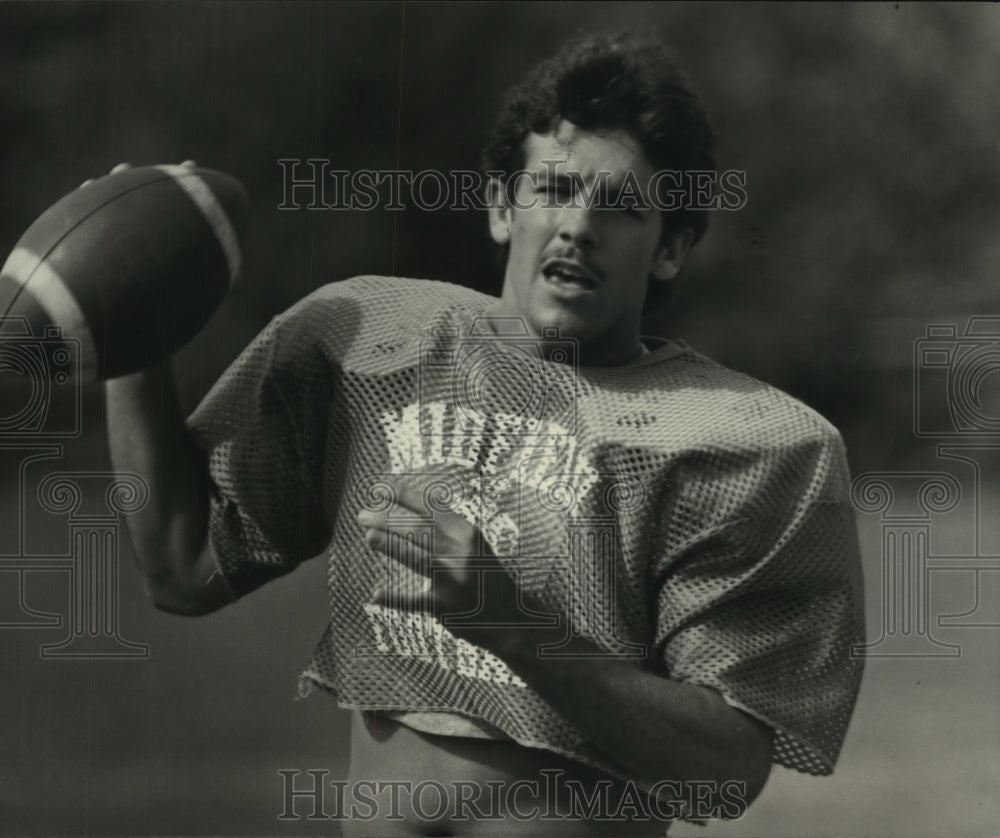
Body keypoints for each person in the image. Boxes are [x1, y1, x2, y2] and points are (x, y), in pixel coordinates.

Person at [106, 32, 865, 837]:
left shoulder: (732, 442)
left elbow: (724, 778)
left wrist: (515, 626)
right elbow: (182, 566)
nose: (578, 226)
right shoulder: (374, 343)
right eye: (555, 189)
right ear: (503, 207)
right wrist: (128, 329)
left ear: (672, 247)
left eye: (620, 206)